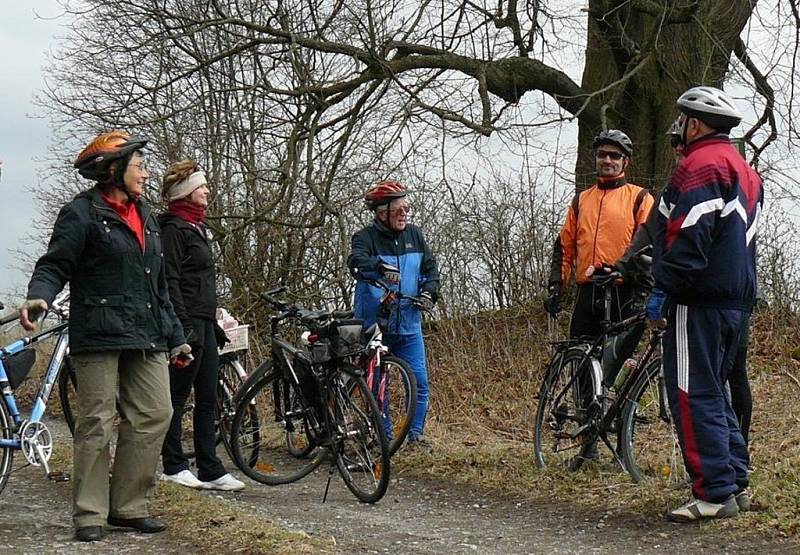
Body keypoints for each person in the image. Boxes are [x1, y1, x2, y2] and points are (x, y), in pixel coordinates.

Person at [19, 131, 191, 542]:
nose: (146, 174)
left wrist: (176, 336)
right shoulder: (80, 213)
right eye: (140, 167)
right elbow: (54, 264)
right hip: (98, 331)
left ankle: (128, 506)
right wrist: (38, 297)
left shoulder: (146, 213)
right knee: (95, 422)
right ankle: (89, 513)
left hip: (147, 331)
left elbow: (158, 284)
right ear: (112, 170)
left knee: (155, 413)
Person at [650, 86, 762, 522]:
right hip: (737, 300)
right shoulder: (747, 171)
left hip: (697, 298)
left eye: (681, 119)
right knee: (715, 391)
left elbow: (687, 236)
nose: (678, 127)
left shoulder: (698, 166)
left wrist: (665, 286)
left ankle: (714, 492)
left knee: (691, 392)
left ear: (694, 124)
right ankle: (734, 481)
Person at [545, 129, 654, 467]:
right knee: (582, 370)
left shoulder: (639, 198)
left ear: (626, 162)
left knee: (621, 369)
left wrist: (639, 281)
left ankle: (623, 444)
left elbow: (648, 242)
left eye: (614, 156)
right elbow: (564, 247)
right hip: (588, 291)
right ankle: (588, 446)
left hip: (624, 290)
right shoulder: (582, 199)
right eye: (602, 155)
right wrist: (555, 287)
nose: (607, 161)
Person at [158, 160, 245, 492]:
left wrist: (213, 322)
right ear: (185, 192)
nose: (207, 190)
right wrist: (183, 329)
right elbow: (172, 281)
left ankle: (210, 467)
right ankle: (173, 464)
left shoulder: (197, 227)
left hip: (205, 322)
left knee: (209, 396)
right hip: (187, 325)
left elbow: (201, 282)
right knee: (177, 396)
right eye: (201, 186)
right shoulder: (173, 230)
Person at [348, 180, 440, 452]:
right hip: (377, 324)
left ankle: (416, 436)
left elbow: (431, 270)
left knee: (420, 382)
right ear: (381, 212)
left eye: (407, 208)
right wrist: (379, 266)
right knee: (378, 385)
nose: (405, 214)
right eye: (399, 209)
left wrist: (428, 293)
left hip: (409, 323)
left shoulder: (415, 235)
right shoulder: (364, 238)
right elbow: (355, 262)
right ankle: (383, 438)